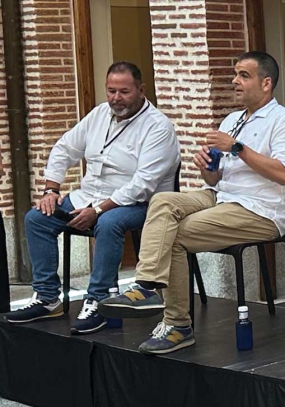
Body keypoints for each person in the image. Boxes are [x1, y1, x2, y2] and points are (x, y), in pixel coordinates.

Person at [98, 51, 285, 354]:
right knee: (163, 201)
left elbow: (284, 174)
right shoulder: (233, 120)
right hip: (221, 196)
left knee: (176, 235)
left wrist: (236, 147)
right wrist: (208, 167)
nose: (235, 81)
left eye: (243, 75)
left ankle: (178, 325)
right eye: (235, 74)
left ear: (266, 83)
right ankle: (146, 287)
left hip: (261, 210)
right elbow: (215, 179)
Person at [3, 62, 179, 334]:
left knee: (108, 224)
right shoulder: (99, 114)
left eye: (124, 91)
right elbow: (64, 148)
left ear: (141, 90)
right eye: (111, 91)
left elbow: (142, 185)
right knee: (38, 218)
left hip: (139, 204)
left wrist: (97, 211)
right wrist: (51, 189)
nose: (116, 98)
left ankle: (99, 301)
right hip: (89, 197)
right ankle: (48, 297)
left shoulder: (158, 127)